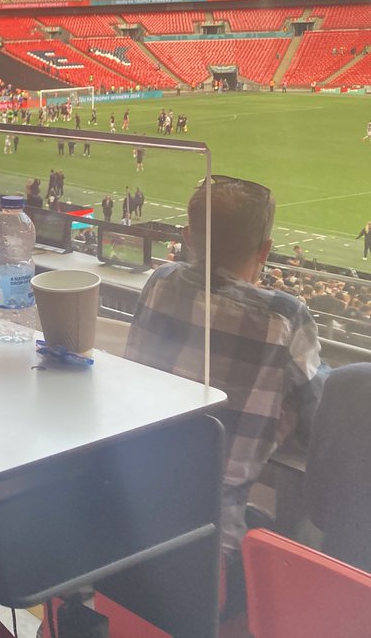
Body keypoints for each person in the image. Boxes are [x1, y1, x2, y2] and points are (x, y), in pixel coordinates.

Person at [124, 176, 324, 610]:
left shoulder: (160, 281)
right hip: (208, 549)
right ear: (265, 250)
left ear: (186, 238)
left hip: (128, 520)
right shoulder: (286, 316)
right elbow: (313, 421)